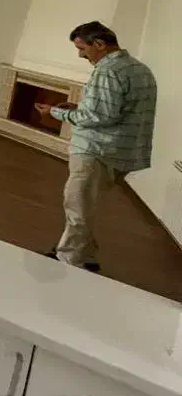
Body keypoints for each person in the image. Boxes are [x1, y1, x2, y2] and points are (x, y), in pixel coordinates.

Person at [33, 21, 157, 270]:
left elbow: (101, 117)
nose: (80, 55)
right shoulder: (139, 69)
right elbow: (116, 110)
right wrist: (80, 108)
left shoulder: (108, 70)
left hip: (96, 150)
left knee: (77, 205)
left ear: (99, 44)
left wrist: (56, 113)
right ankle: (85, 254)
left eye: (82, 48)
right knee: (84, 204)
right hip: (120, 151)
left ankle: (69, 261)